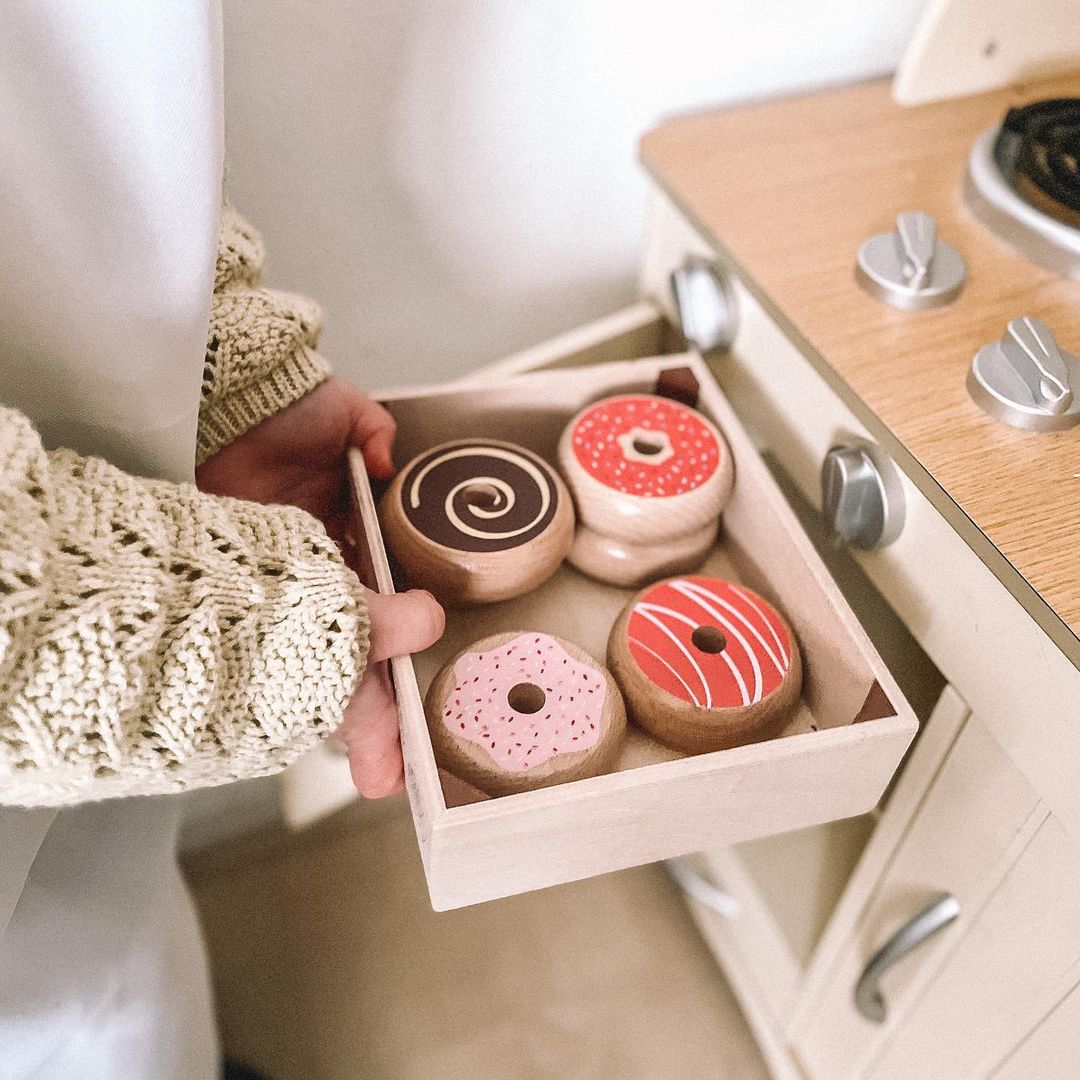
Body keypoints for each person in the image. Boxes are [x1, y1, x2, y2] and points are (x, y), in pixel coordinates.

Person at [0, 3, 444, 1077]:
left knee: (104, 960)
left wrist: (230, 378)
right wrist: (255, 640)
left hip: (94, 812)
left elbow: (92, 99)